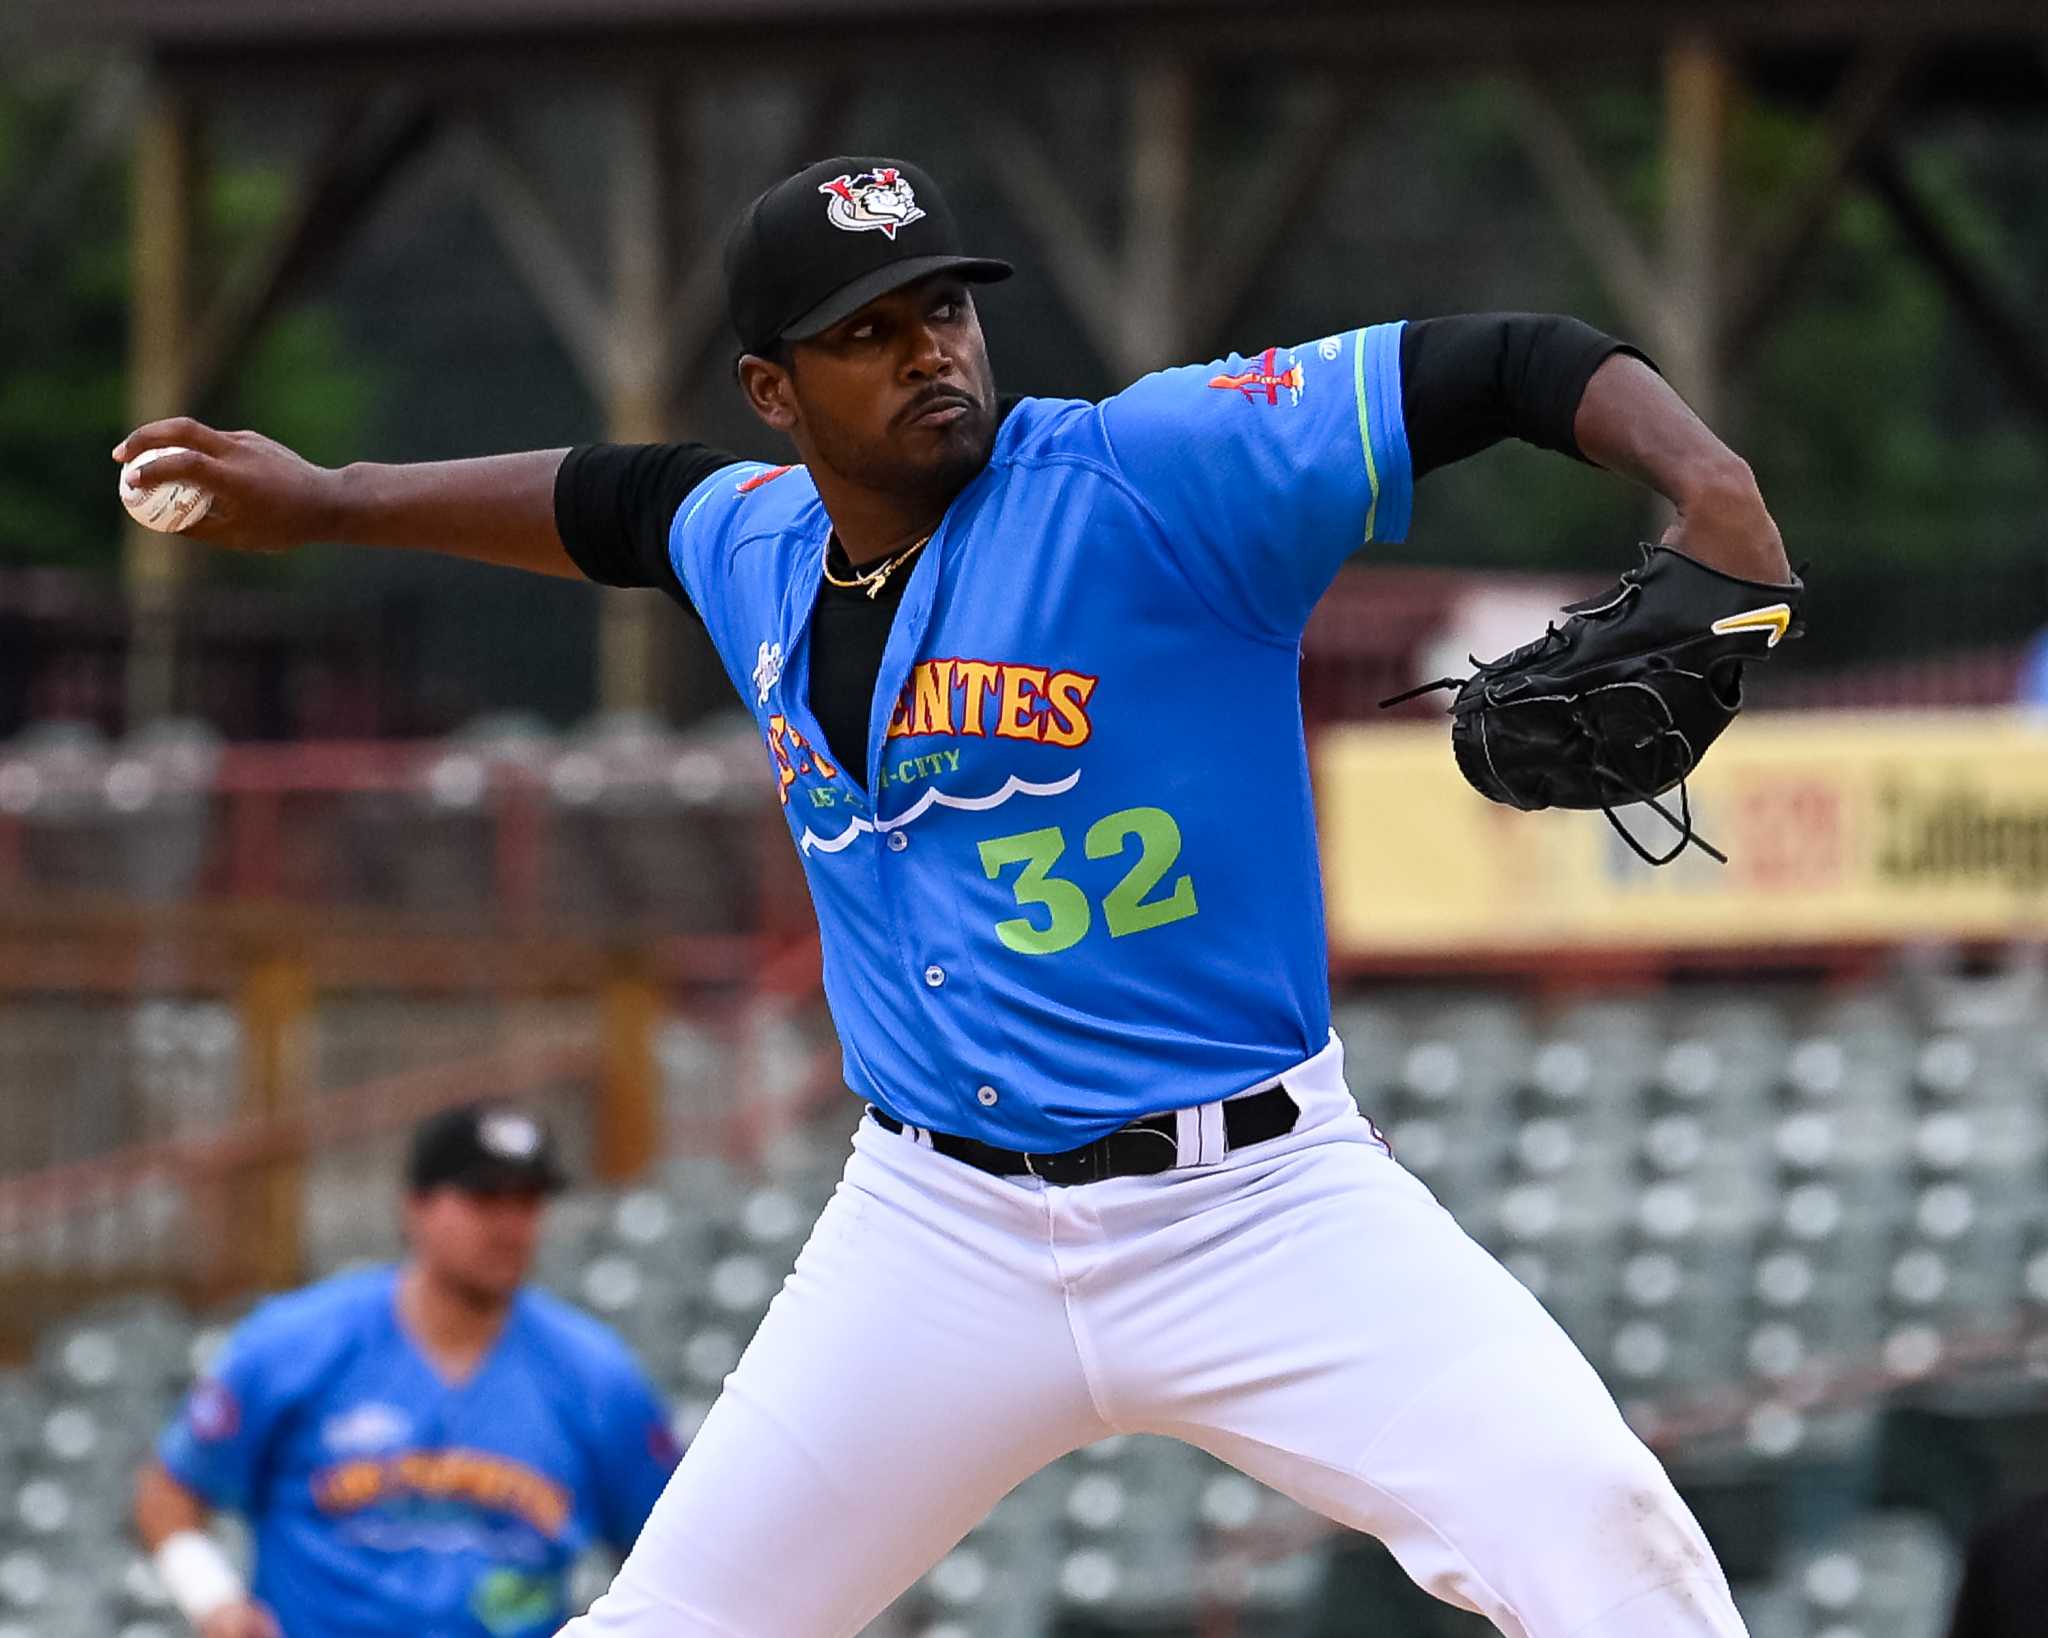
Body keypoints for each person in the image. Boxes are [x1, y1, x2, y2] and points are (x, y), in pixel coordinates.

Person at [117, 154, 1797, 1638]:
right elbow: (611, 501)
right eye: (871, 328)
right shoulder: (755, 541)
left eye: (944, 305)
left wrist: (1708, 485)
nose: (931, 346)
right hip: (939, 1233)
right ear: (773, 389)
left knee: (1600, 1531)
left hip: (1255, 1204)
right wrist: (334, 499)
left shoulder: (1151, 475)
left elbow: (1505, 363)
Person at [133, 1101, 679, 1638]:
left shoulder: (595, 1375)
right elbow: (170, 1494)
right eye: (484, 1198)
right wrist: (214, 1599)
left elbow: (668, 1552)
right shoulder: (296, 1344)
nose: (511, 1226)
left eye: (528, 1202)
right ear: (415, 1205)